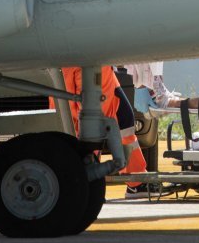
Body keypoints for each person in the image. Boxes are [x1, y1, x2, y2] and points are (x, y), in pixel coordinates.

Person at [59, 66, 168, 199]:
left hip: (89, 66)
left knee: (122, 119)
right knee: (93, 126)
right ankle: (88, 183)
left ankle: (135, 181)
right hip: (86, 65)